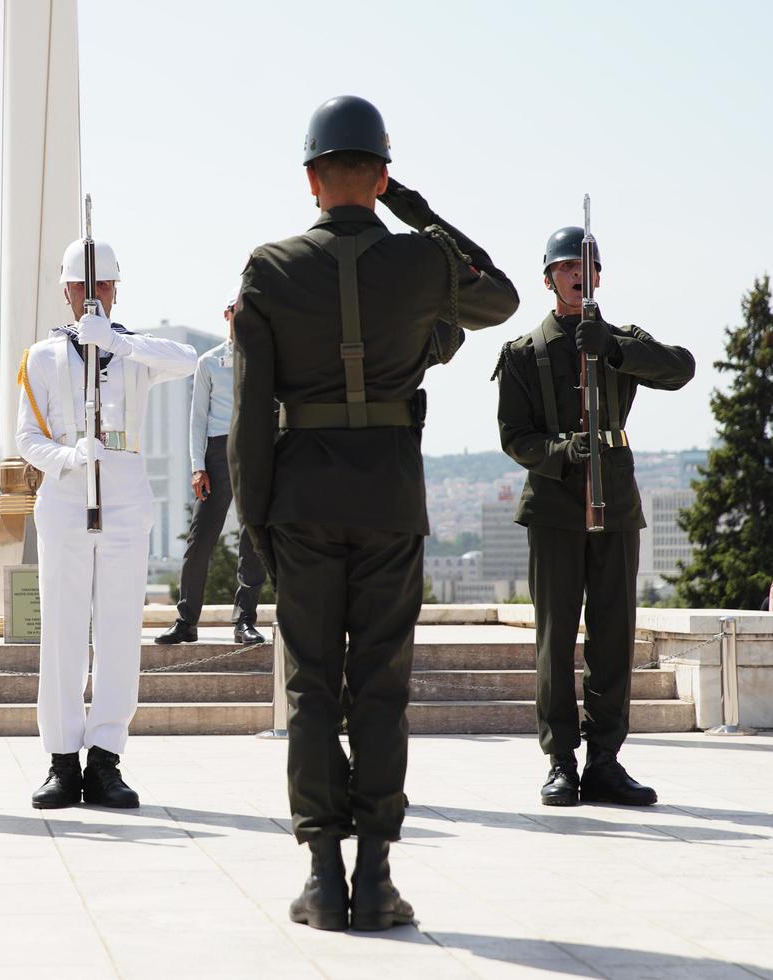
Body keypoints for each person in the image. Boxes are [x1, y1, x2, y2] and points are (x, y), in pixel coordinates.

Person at [231, 95, 519, 931]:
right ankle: (377, 878)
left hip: (301, 504)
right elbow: (497, 297)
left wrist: (258, 522)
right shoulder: (423, 264)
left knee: (314, 689)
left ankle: (323, 879)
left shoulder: (269, 268)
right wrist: (416, 214)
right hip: (391, 501)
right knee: (382, 690)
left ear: (312, 179)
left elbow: (251, 413)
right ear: (381, 175)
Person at [495, 227, 695, 808]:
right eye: (564, 268)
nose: (577, 276)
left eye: (585, 268)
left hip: (616, 501)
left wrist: (613, 347)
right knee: (556, 637)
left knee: (613, 635)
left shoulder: (617, 339)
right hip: (556, 506)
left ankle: (605, 759)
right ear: (548, 279)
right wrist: (561, 454)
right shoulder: (525, 352)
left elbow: (679, 368)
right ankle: (561, 759)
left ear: (600, 276)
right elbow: (515, 435)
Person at [16, 237, 197, 809]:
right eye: (83, 287)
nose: (93, 296)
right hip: (69, 491)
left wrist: (114, 340)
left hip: (122, 491)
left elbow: (186, 360)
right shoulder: (43, 357)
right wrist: (67, 459)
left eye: (103, 287)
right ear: (67, 292)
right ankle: (63, 761)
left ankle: (106, 759)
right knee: (64, 633)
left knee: (118, 632)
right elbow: (26, 438)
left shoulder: (135, 351)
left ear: (116, 290)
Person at [156, 294, 266, 647]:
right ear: (227, 315)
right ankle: (186, 621)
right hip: (217, 452)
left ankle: (245, 620)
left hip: (254, 449)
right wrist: (196, 466)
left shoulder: (266, 359)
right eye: (239, 313)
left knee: (254, 540)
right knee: (200, 539)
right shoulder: (208, 362)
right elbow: (197, 419)